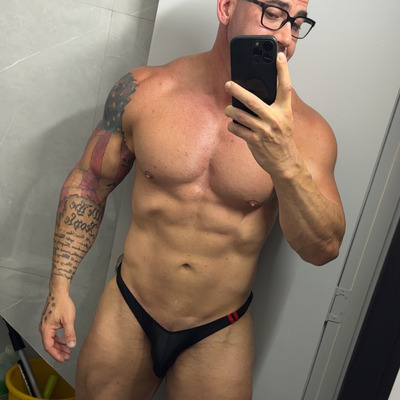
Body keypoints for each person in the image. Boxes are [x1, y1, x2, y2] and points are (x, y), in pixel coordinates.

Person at [39, 0, 345, 398]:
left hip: (219, 330)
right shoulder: (144, 90)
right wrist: (58, 288)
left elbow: (323, 249)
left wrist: (286, 162)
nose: (287, 37)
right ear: (227, 7)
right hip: (129, 309)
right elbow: (90, 183)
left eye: (298, 24)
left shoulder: (307, 133)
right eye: (274, 13)